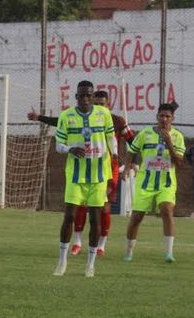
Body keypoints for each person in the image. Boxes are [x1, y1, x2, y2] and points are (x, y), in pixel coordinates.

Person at [29, 90, 133, 257]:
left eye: (101, 104)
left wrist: (131, 162)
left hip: (106, 169)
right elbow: (60, 121)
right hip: (82, 167)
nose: (97, 106)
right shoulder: (81, 117)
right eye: (95, 103)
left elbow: (132, 141)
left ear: (108, 105)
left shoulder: (116, 120)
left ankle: (101, 245)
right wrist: (40, 117)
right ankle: (77, 242)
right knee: (80, 206)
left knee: (104, 208)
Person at [52, 80, 117, 278]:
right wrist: (70, 148)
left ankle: (90, 264)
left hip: (98, 175)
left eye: (89, 95)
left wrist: (114, 153)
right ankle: (62, 262)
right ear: (76, 97)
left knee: (95, 218)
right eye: (82, 95)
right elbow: (58, 145)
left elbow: (110, 137)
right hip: (75, 175)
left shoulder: (103, 114)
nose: (86, 99)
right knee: (69, 216)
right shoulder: (66, 116)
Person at [122, 103, 185, 263]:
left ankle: (169, 254)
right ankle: (129, 252)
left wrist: (169, 142)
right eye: (161, 116)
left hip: (166, 183)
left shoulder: (177, 136)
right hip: (145, 183)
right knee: (136, 217)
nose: (164, 119)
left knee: (166, 210)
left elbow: (179, 162)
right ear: (157, 117)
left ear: (173, 118)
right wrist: (125, 169)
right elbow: (132, 151)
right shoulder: (145, 133)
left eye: (167, 116)